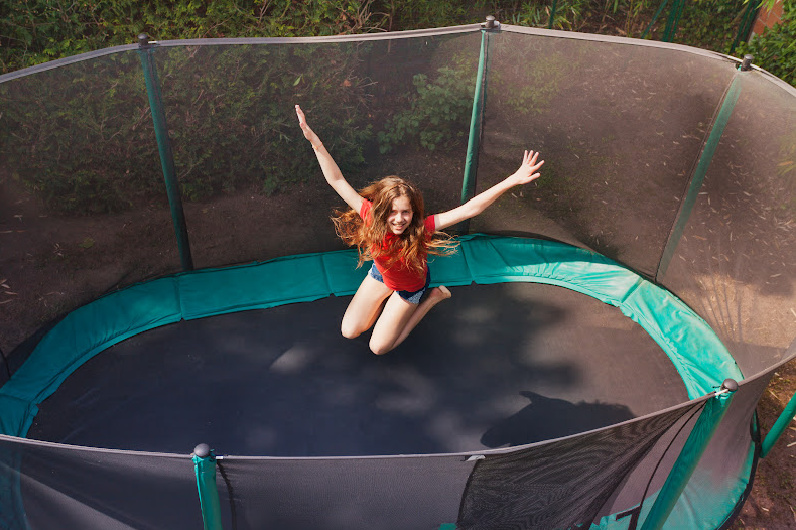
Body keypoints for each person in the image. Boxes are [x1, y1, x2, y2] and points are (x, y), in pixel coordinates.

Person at [296, 104, 544, 355]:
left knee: (379, 347)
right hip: (381, 276)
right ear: (382, 210)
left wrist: (513, 179)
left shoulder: (422, 228)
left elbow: (470, 209)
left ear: (414, 212)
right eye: (392, 212)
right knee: (349, 331)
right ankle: (387, 307)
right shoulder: (370, 216)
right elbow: (336, 179)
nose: (399, 219)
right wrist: (315, 142)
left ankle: (431, 299)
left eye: (406, 212)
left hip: (410, 287)